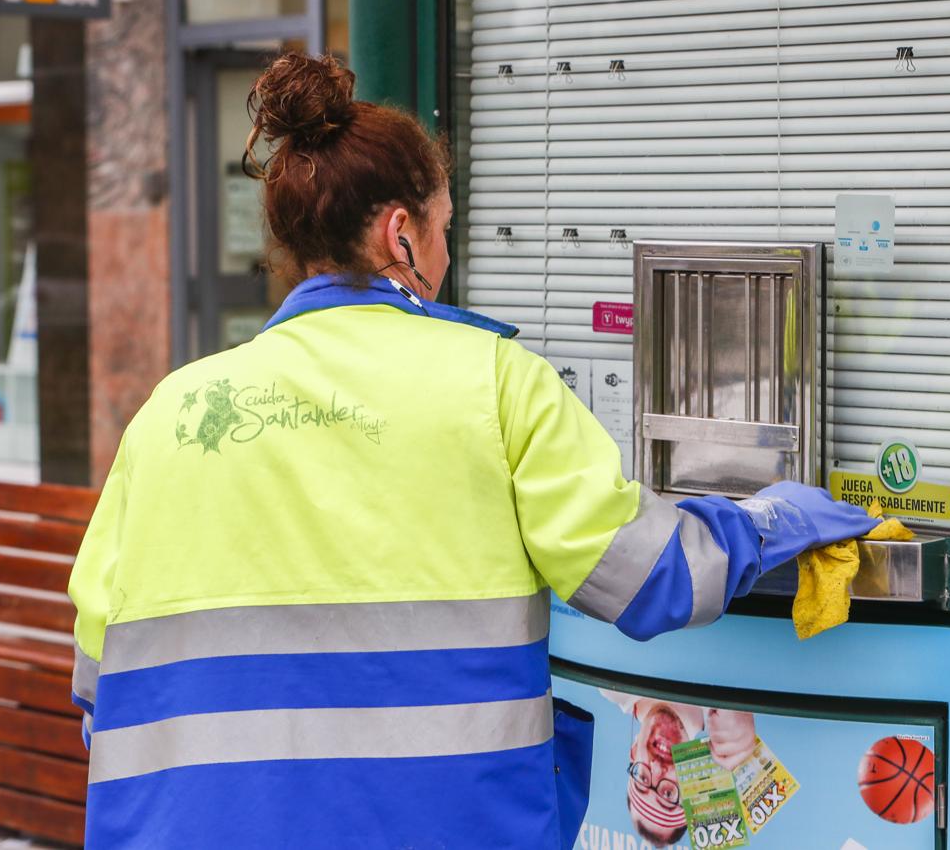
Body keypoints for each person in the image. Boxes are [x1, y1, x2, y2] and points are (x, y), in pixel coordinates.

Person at [67, 52, 880, 849]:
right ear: (402, 236)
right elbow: (651, 575)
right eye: (445, 228)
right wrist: (771, 520)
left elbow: (100, 687)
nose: (448, 254)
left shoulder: (172, 413)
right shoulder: (496, 386)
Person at [601, 691, 757, 848]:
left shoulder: (612, 686)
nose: (656, 767)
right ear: (692, 783)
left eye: (643, 778)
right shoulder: (729, 721)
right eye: (668, 793)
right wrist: (738, 698)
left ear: (634, 751)